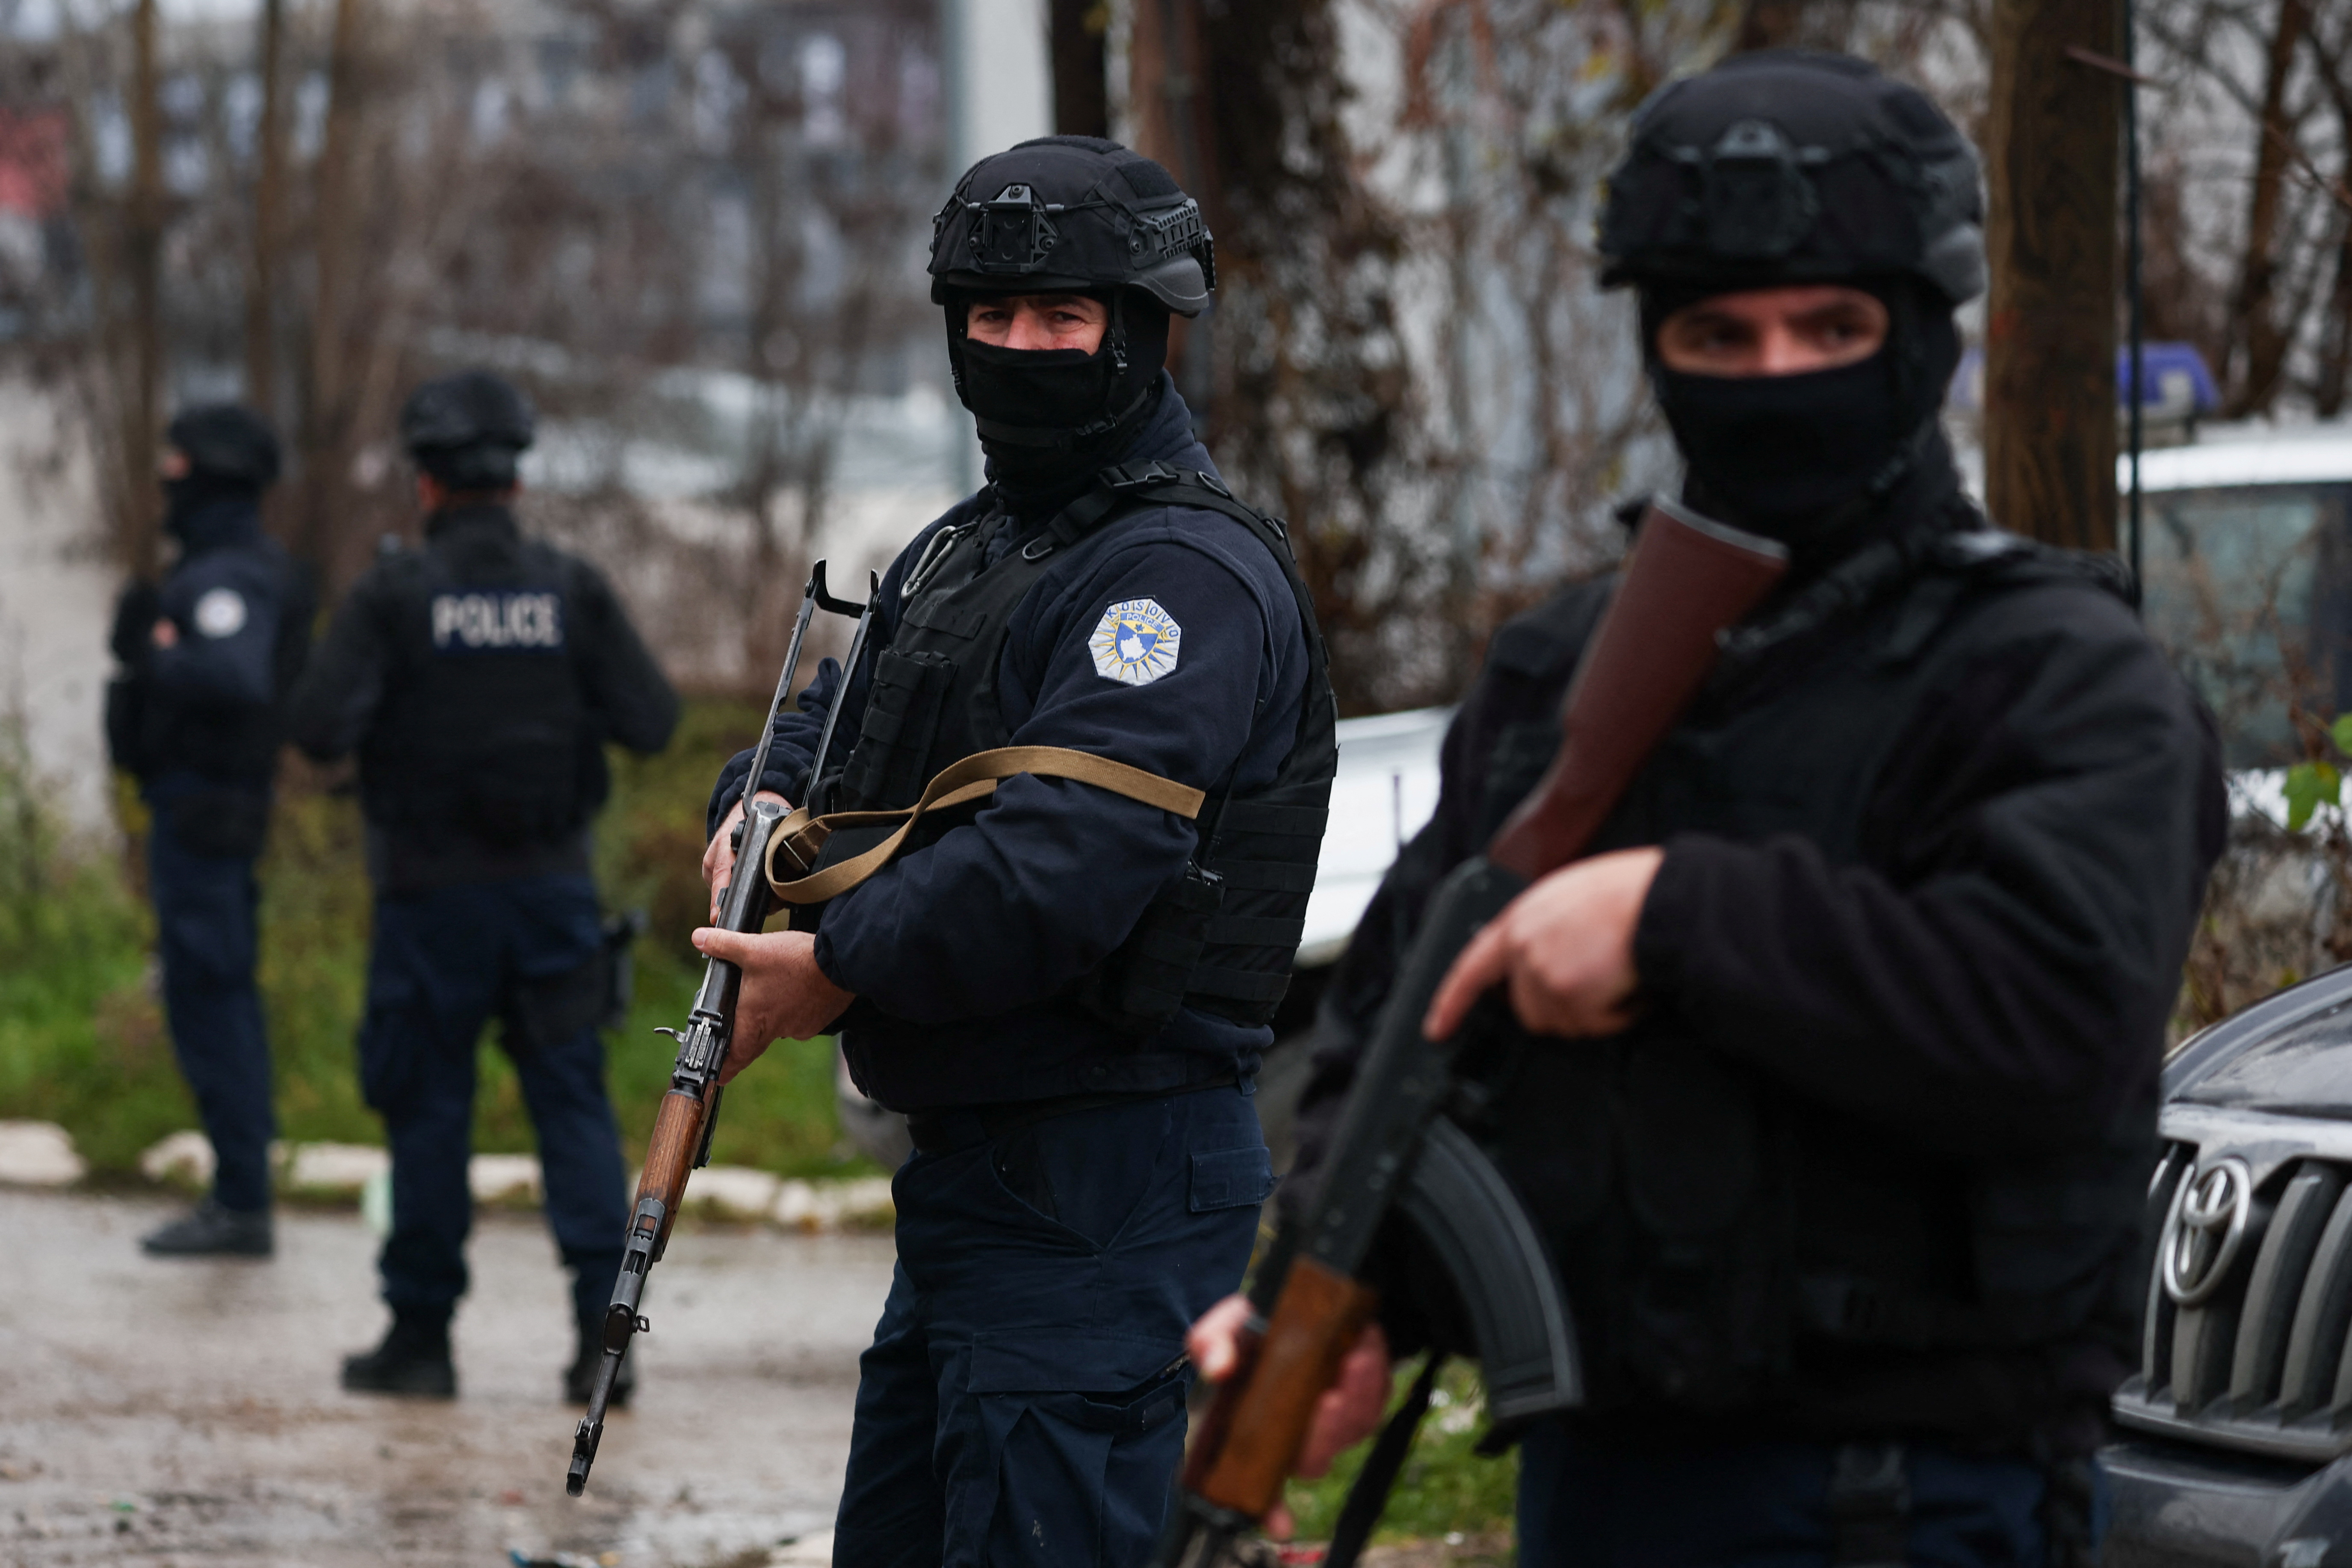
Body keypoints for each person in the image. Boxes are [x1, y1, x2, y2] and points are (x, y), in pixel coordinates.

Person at [1187, 50, 2228, 1568]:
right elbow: (1410, 1017)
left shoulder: (2059, 672)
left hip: (1904, 1494)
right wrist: (1355, 1300)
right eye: (1717, 335)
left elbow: (2056, 1015)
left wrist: (1675, 914)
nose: (1775, 374)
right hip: (1598, 1481)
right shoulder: (1567, 672)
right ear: (1658, 348)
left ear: (1922, 333)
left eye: (1832, 328)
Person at [694, 136, 1335, 1567]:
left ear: (1144, 328)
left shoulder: (1176, 576)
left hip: (1114, 1167)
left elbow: (1063, 865)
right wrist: (758, 804)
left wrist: (833, 966)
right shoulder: (974, 547)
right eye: (993, 314)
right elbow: (837, 722)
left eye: (1063, 316)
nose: (1023, 345)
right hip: (981, 1174)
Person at [288, 370, 679, 1401]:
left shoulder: (393, 596)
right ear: (516, 481)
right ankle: (604, 1343)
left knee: (427, 1112)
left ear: (424, 483)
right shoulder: (571, 589)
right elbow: (652, 721)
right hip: (550, 894)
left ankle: (421, 1341)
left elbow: (318, 728)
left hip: (430, 902)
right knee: (573, 1109)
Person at [109, 405, 314, 1258]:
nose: (166, 481)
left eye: (178, 466)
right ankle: (238, 1193)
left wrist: (153, 652)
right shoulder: (218, 565)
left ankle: (241, 1200)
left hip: (208, 818)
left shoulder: (230, 574)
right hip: (200, 813)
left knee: (213, 1000)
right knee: (207, 996)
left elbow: (234, 673)